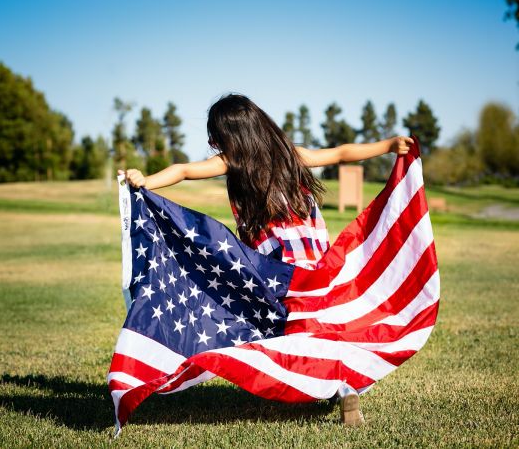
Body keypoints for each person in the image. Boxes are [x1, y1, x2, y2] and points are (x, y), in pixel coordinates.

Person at [118, 93, 413, 425]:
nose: (213, 143)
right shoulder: (290, 154)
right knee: (323, 326)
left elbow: (185, 170)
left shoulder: (233, 161)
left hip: (276, 267)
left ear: (230, 135)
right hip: (315, 261)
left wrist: (146, 181)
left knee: (293, 329)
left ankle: (324, 380)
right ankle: (344, 384)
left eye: (215, 135)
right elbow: (343, 152)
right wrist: (388, 145)